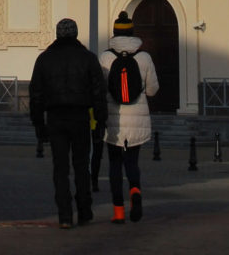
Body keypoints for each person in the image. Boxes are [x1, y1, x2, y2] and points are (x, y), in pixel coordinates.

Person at [30, 18, 107, 228]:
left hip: (55, 117)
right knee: (82, 166)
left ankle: (65, 215)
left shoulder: (44, 59)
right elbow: (99, 91)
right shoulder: (88, 58)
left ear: (57, 34)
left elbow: (36, 93)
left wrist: (38, 123)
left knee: (60, 168)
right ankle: (84, 211)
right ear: (75, 34)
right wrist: (101, 120)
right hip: (80, 116)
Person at [99, 12, 159, 223]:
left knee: (114, 165)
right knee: (132, 163)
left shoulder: (106, 57)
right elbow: (152, 90)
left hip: (113, 120)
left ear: (114, 33)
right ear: (133, 32)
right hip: (137, 119)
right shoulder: (144, 57)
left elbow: (100, 88)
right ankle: (135, 191)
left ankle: (118, 212)